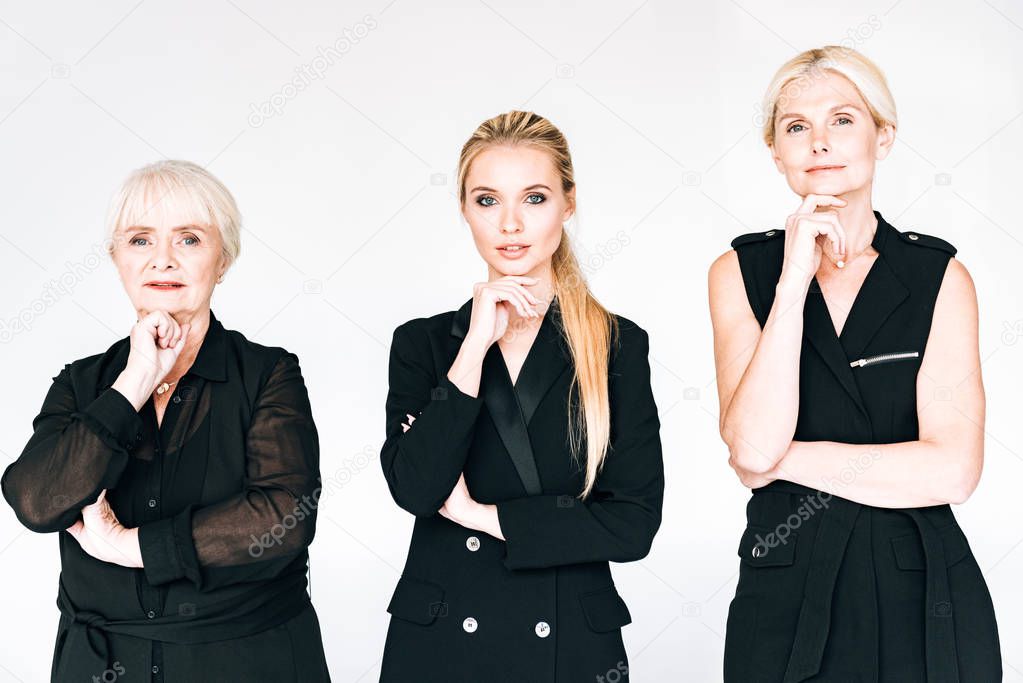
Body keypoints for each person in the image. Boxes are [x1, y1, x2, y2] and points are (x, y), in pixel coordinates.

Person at [709, 46, 1001, 681]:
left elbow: (952, 471)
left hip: (921, 590)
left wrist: (783, 460)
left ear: (883, 135)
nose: (820, 142)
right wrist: (792, 283)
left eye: (842, 119)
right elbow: (752, 443)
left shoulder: (938, 277)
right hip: (784, 590)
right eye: (796, 127)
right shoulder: (742, 273)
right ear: (776, 152)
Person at [2, 160, 331, 682]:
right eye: (139, 240)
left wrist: (132, 547)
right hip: (101, 665)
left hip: (245, 662)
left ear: (223, 260)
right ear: (116, 259)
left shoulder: (269, 372)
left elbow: (284, 516)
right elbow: (37, 502)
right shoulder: (82, 383)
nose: (163, 261)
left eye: (189, 239)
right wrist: (132, 382)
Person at [378, 110, 664, 682]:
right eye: (487, 201)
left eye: (534, 199)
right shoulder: (424, 344)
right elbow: (414, 489)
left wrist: (478, 515)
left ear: (568, 202)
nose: (510, 224)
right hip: (441, 643)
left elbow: (633, 523)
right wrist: (475, 346)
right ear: (463, 209)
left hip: (570, 646)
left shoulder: (617, 345)